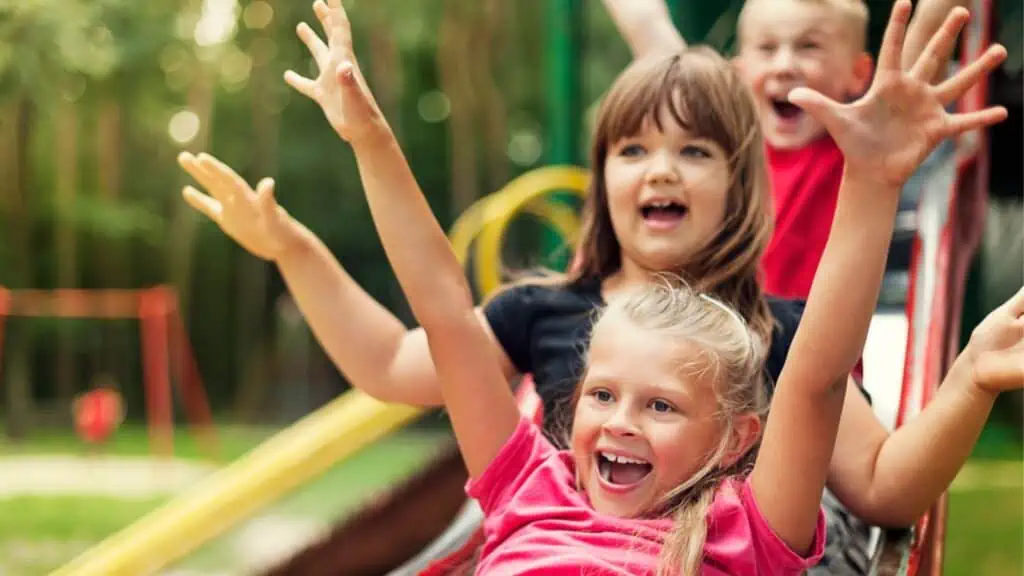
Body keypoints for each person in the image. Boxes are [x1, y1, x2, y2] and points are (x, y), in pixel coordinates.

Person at [177, 0, 1011, 572]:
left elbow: (831, 401)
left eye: (694, 151)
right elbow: (431, 323)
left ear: (734, 437)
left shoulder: (747, 470)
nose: (616, 417)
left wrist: (873, 192)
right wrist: (337, 187)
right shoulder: (534, 474)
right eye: (600, 392)